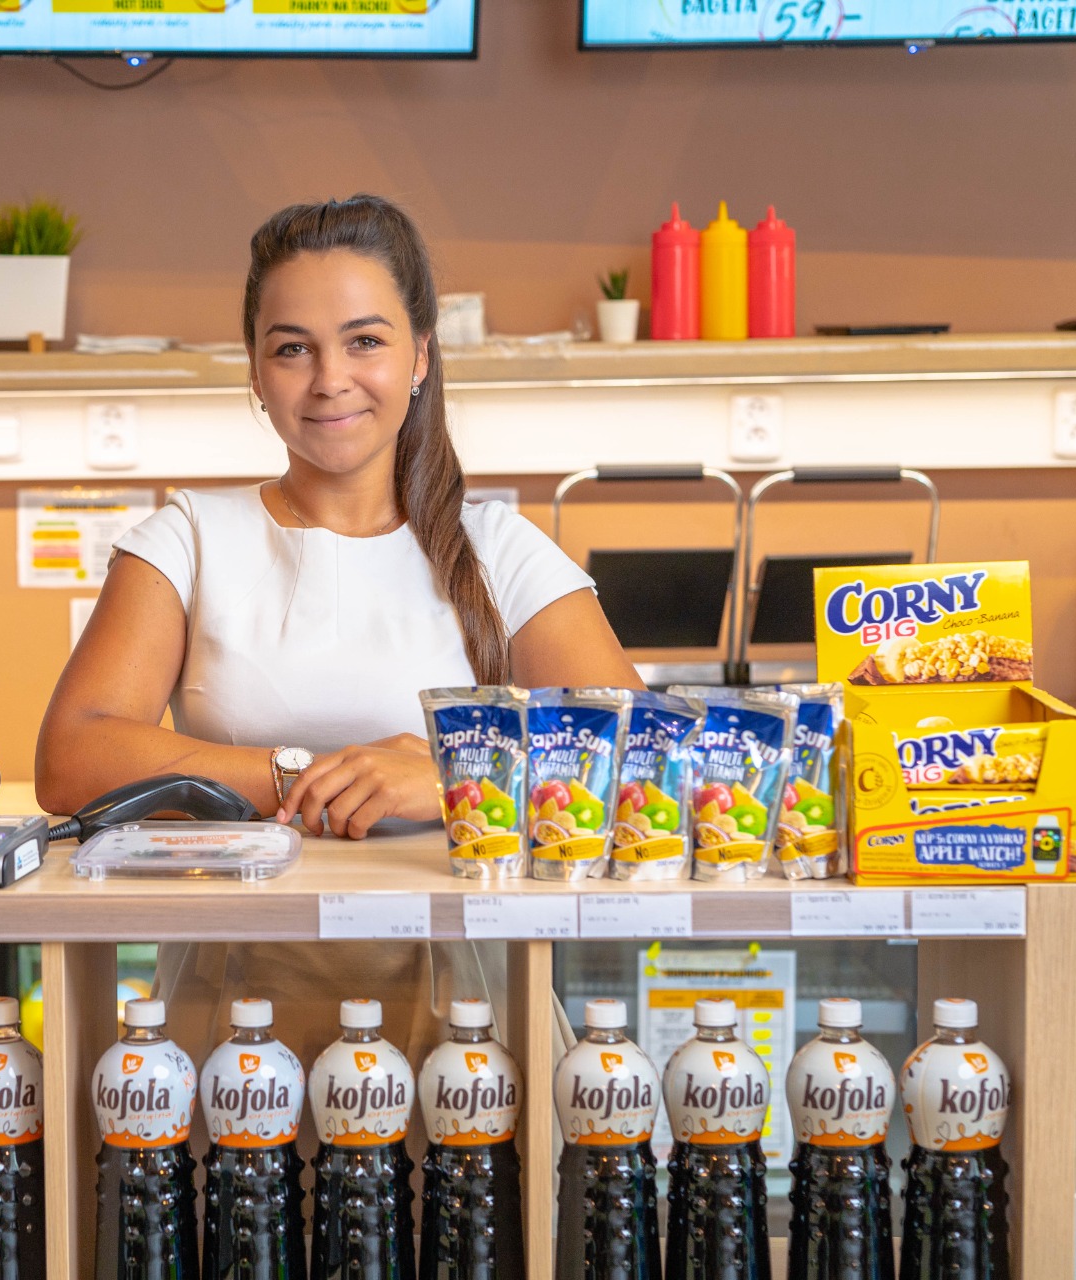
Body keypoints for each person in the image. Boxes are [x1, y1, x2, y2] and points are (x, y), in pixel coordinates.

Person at [33, 194, 643, 1058]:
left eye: (365, 341)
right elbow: (72, 758)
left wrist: (454, 778)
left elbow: (643, 761)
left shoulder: (501, 551)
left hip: (470, 1027)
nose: (329, 378)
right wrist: (298, 776)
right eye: (293, 349)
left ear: (420, 354)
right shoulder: (188, 537)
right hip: (229, 1019)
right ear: (255, 372)